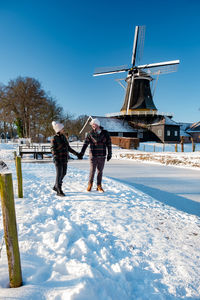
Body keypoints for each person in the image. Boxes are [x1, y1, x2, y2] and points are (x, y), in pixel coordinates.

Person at [79, 118, 112, 192]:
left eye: (94, 124)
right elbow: (85, 144)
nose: (93, 126)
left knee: (100, 171)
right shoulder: (90, 133)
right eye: (92, 125)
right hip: (93, 155)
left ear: (98, 124)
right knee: (92, 171)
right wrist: (82, 152)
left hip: (102, 155)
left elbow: (109, 144)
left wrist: (110, 153)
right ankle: (90, 185)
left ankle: (99, 186)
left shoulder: (105, 133)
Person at [51, 121, 81, 197]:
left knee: (64, 173)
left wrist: (77, 154)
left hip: (64, 159)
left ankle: (55, 186)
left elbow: (68, 148)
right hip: (58, 159)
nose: (63, 129)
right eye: (62, 128)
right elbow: (53, 149)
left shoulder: (64, 137)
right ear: (58, 129)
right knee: (59, 174)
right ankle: (58, 190)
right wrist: (55, 158)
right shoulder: (54, 138)